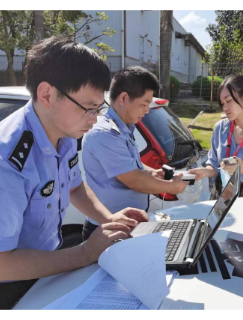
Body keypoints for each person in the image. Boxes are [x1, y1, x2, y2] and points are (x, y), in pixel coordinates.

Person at [0, 37, 148, 310]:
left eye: (99, 108)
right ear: (46, 95)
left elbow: (74, 187)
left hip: (45, 268)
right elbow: (2, 263)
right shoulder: (8, 161)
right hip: (10, 286)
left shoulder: (63, 133)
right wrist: (84, 253)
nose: (94, 120)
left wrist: (111, 220)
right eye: (87, 108)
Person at [82, 66, 189, 241]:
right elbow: (133, 180)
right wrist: (172, 187)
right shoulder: (105, 133)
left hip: (126, 225)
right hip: (108, 229)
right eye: (144, 104)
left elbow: (132, 163)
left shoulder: (125, 127)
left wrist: (151, 172)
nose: (146, 111)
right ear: (124, 98)